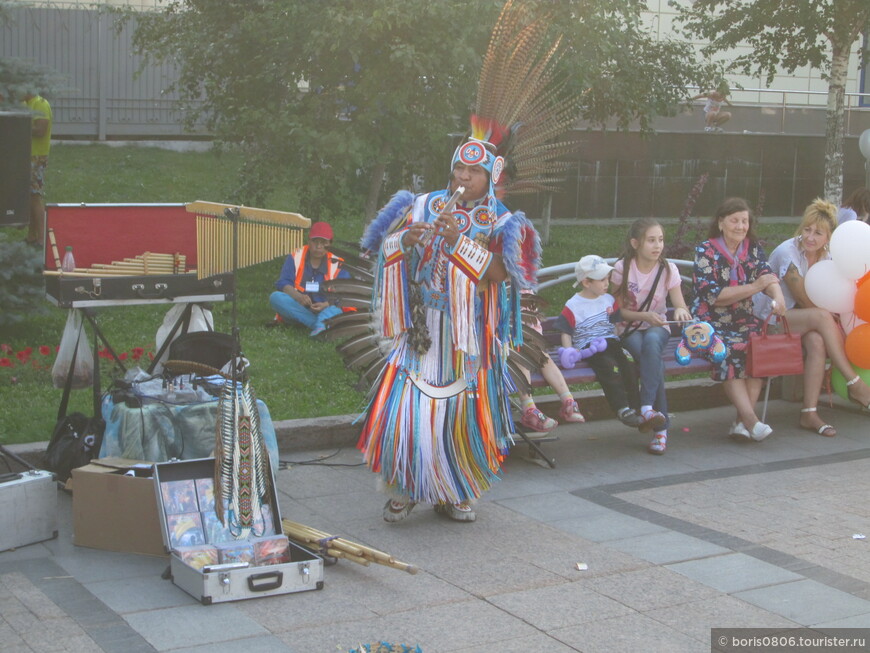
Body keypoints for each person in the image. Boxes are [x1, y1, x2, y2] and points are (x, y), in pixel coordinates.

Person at [754, 199, 870, 436]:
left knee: (817, 341)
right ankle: (854, 383)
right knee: (821, 317)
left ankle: (809, 412)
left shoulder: (827, 257)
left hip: (800, 322)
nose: (810, 237)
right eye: (807, 229)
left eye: (818, 233)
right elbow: (807, 301)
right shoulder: (788, 252)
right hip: (769, 320)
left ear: (828, 238)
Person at [692, 197, 786, 442]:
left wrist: (778, 297)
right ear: (721, 223)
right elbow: (715, 297)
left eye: (744, 221)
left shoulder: (752, 248)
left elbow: (767, 275)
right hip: (709, 321)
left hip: (742, 318)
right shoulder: (706, 250)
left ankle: (741, 422)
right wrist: (755, 286)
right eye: (734, 220)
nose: (740, 226)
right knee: (729, 348)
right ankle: (752, 420)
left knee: (760, 345)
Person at [611, 219, 693, 454]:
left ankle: (647, 408)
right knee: (651, 358)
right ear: (635, 243)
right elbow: (617, 312)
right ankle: (660, 427)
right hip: (630, 328)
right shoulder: (622, 268)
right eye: (651, 240)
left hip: (658, 327)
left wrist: (679, 310)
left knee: (653, 342)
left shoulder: (668, 269)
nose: (657, 245)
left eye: (660, 240)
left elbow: (680, 305)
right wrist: (644, 316)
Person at [555, 255, 643, 429]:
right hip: (591, 347)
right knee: (609, 368)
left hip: (611, 342)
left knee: (629, 364)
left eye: (608, 279)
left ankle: (637, 407)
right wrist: (568, 352)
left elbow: (615, 325)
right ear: (587, 282)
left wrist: (621, 342)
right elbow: (565, 331)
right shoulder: (573, 305)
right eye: (602, 280)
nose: (607, 284)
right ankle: (621, 408)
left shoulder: (608, 300)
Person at [515, 293, 585, 433]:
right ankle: (529, 409)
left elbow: (533, 325)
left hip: (529, 342)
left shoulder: (525, 292)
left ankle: (568, 401)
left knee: (544, 358)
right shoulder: (498, 291)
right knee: (521, 356)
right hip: (506, 347)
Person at [269, 221, 351, 337]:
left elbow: (344, 295)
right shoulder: (295, 256)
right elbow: (283, 283)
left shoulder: (338, 263)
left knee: (335, 310)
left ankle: (317, 323)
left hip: (325, 309)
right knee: (276, 297)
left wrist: (326, 304)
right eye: (315, 242)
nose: (319, 247)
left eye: (323, 243)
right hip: (299, 307)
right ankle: (320, 325)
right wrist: (298, 297)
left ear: (330, 244)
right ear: (309, 241)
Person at [24, 91, 52, 246]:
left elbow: (41, 131)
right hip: (25, 155)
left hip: (37, 156)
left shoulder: (40, 103)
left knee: (35, 196)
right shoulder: (24, 105)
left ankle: (42, 238)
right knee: (28, 196)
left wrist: (18, 126)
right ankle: (32, 236)